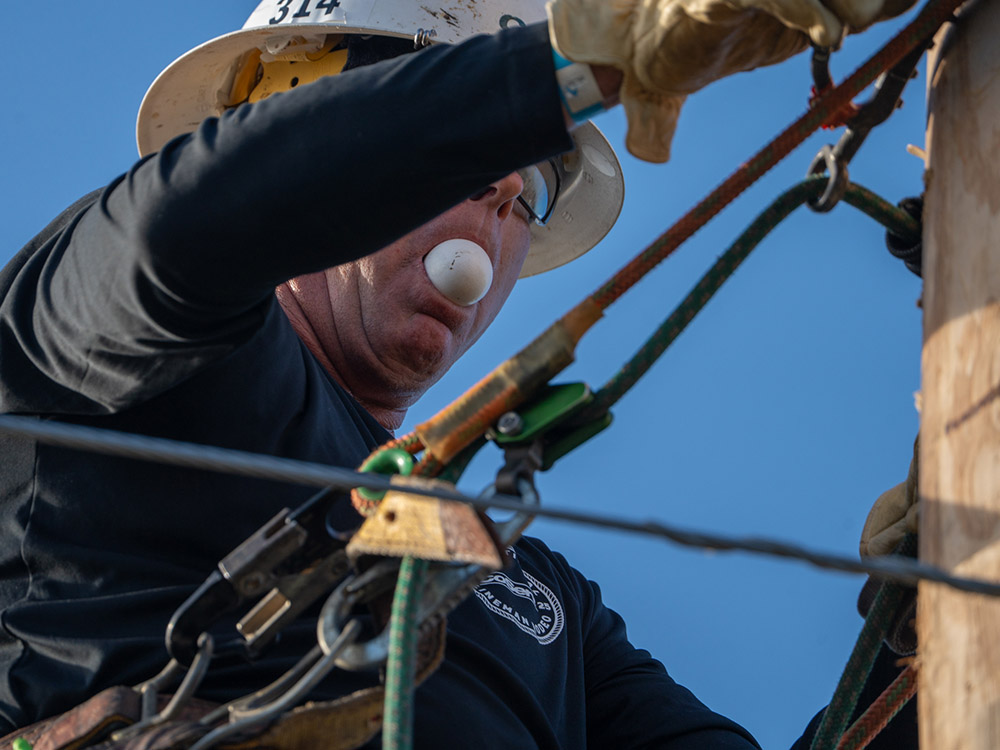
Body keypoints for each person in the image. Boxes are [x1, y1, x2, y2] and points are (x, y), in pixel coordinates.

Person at [0, 0, 917, 746]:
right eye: (475, 160)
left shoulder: (527, 587)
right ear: (284, 110)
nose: (502, 198)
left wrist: (920, 642)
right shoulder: (123, 334)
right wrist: (584, 64)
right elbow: (187, 223)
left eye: (536, 188)